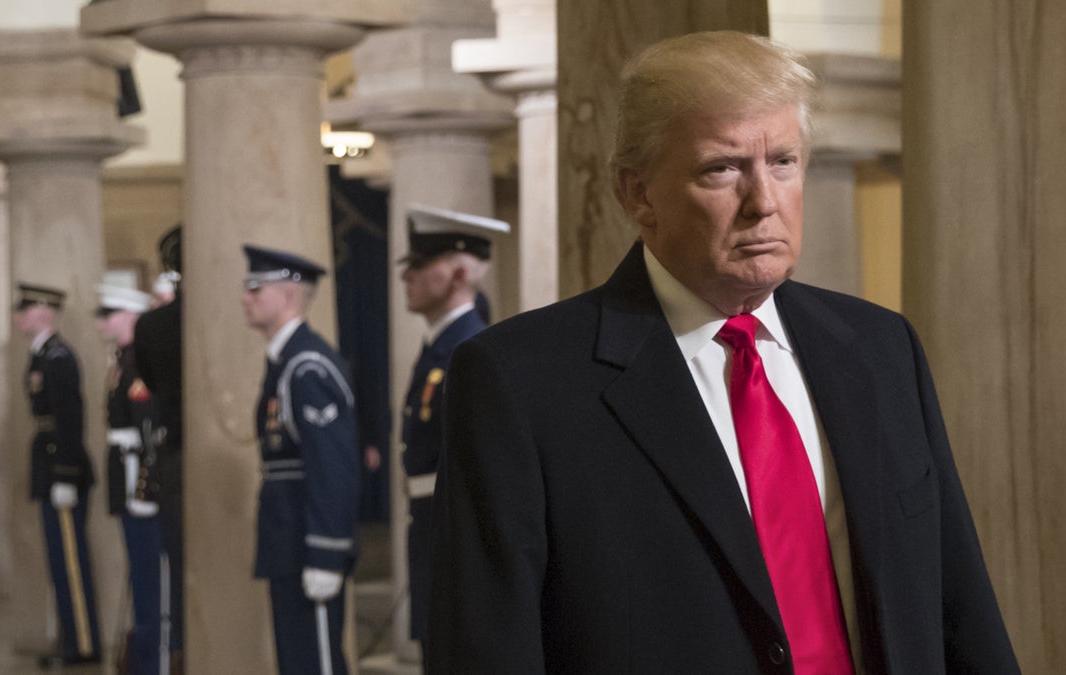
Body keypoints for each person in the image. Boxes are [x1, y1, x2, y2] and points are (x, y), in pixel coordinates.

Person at [429, 31, 1019, 674]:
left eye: (784, 162)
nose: (763, 202)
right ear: (637, 193)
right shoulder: (522, 383)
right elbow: (486, 649)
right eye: (723, 168)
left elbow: (958, 601)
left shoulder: (881, 347)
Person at [397, 204, 508, 662]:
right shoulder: (441, 347)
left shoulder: (470, 350)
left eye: (421, 266)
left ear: (460, 272)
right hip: (432, 525)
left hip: (456, 536)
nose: (408, 277)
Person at [241, 245, 360, 675]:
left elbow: (333, 468)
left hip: (306, 540)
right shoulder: (286, 362)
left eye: (256, 288)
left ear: (289, 295)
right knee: (297, 660)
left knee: (317, 663)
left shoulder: (307, 367)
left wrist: (327, 554)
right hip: (287, 536)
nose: (245, 297)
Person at [13, 283, 102, 669]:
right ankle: (69, 635)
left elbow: (70, 416)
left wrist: (65, 474)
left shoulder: (59, 356)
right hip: (47, 463)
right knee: (57, 559)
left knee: (70, 560)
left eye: (25, 310)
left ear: (44, 312)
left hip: (60, 466)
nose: (19, 317)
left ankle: (82, 642)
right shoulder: (41, 355)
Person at [95, 283, 168, 675]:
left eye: (109, 315)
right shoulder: (123, 360)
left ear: (130, 317)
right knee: (139, 576)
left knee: (148, 579)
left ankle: (152, 662)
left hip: (136, 477)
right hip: (124, 473)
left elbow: (148, 430)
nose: (102, 323)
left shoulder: (140, 360)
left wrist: (145, 485)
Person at [133, 225, 184, 669]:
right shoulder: (225, 316)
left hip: (176, 457)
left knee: (181, 572)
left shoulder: (151, 326)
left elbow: (150, 383)